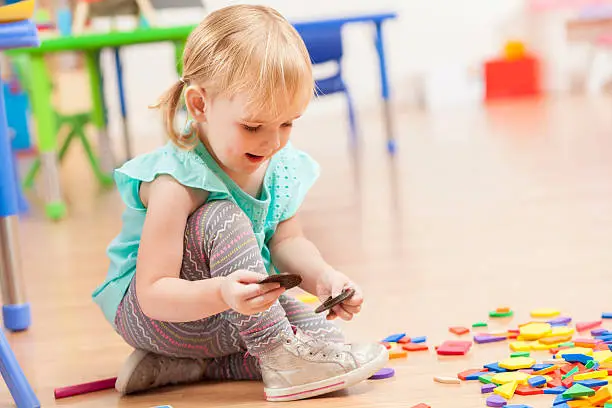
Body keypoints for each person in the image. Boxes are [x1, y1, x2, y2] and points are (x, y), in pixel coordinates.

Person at [92, 4, 387, 402]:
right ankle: (277, 358)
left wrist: (324, 279)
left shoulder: (277, 165)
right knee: (223, 216)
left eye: (287, 123)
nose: (273, 142)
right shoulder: (175, 181)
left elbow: (287, 243)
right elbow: (153, 292)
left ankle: (195, 366)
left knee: (329, 340)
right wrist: (222, 295)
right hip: (154, 316)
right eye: (253, 127)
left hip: (227, 309)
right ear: (200, 105)